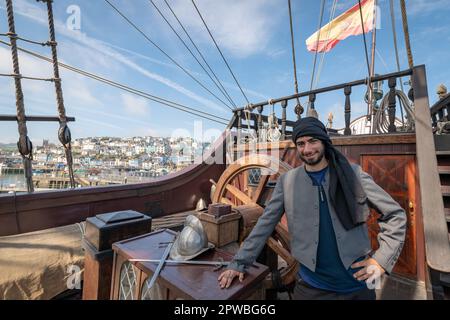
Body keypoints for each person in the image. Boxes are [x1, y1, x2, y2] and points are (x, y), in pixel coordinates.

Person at [218, 117, 407, 300]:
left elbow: (395, 215)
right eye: (301, 144)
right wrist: (239, 263)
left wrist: (381, 260)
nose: (307, 149)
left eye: (312, 141)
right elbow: (264, 224)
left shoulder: (353, 175)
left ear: (324, 141)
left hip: (358, 286)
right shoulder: (287, 182)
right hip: (311, 288)